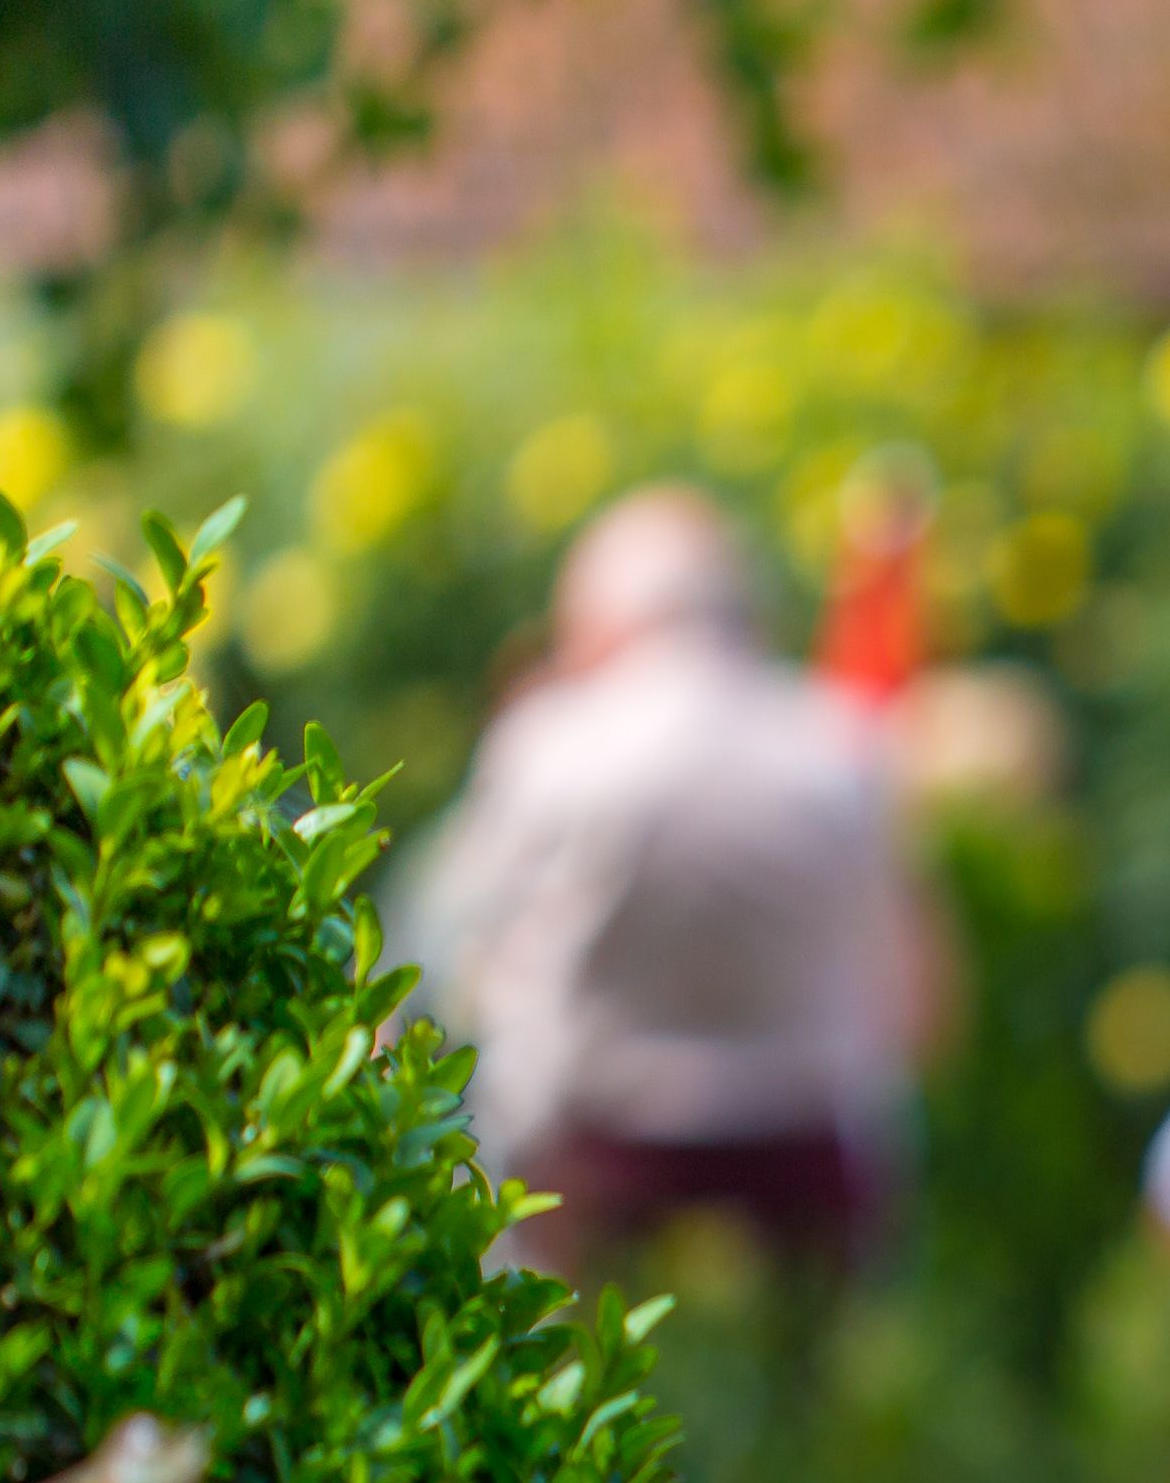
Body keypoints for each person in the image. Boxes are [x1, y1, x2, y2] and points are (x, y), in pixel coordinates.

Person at [395, 487, 932, 1277]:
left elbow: (434, 947)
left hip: (590, 1177)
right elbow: (920, 1005)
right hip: (809, 1182)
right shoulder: (844, 750)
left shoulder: (550, 745)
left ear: (599, 623)